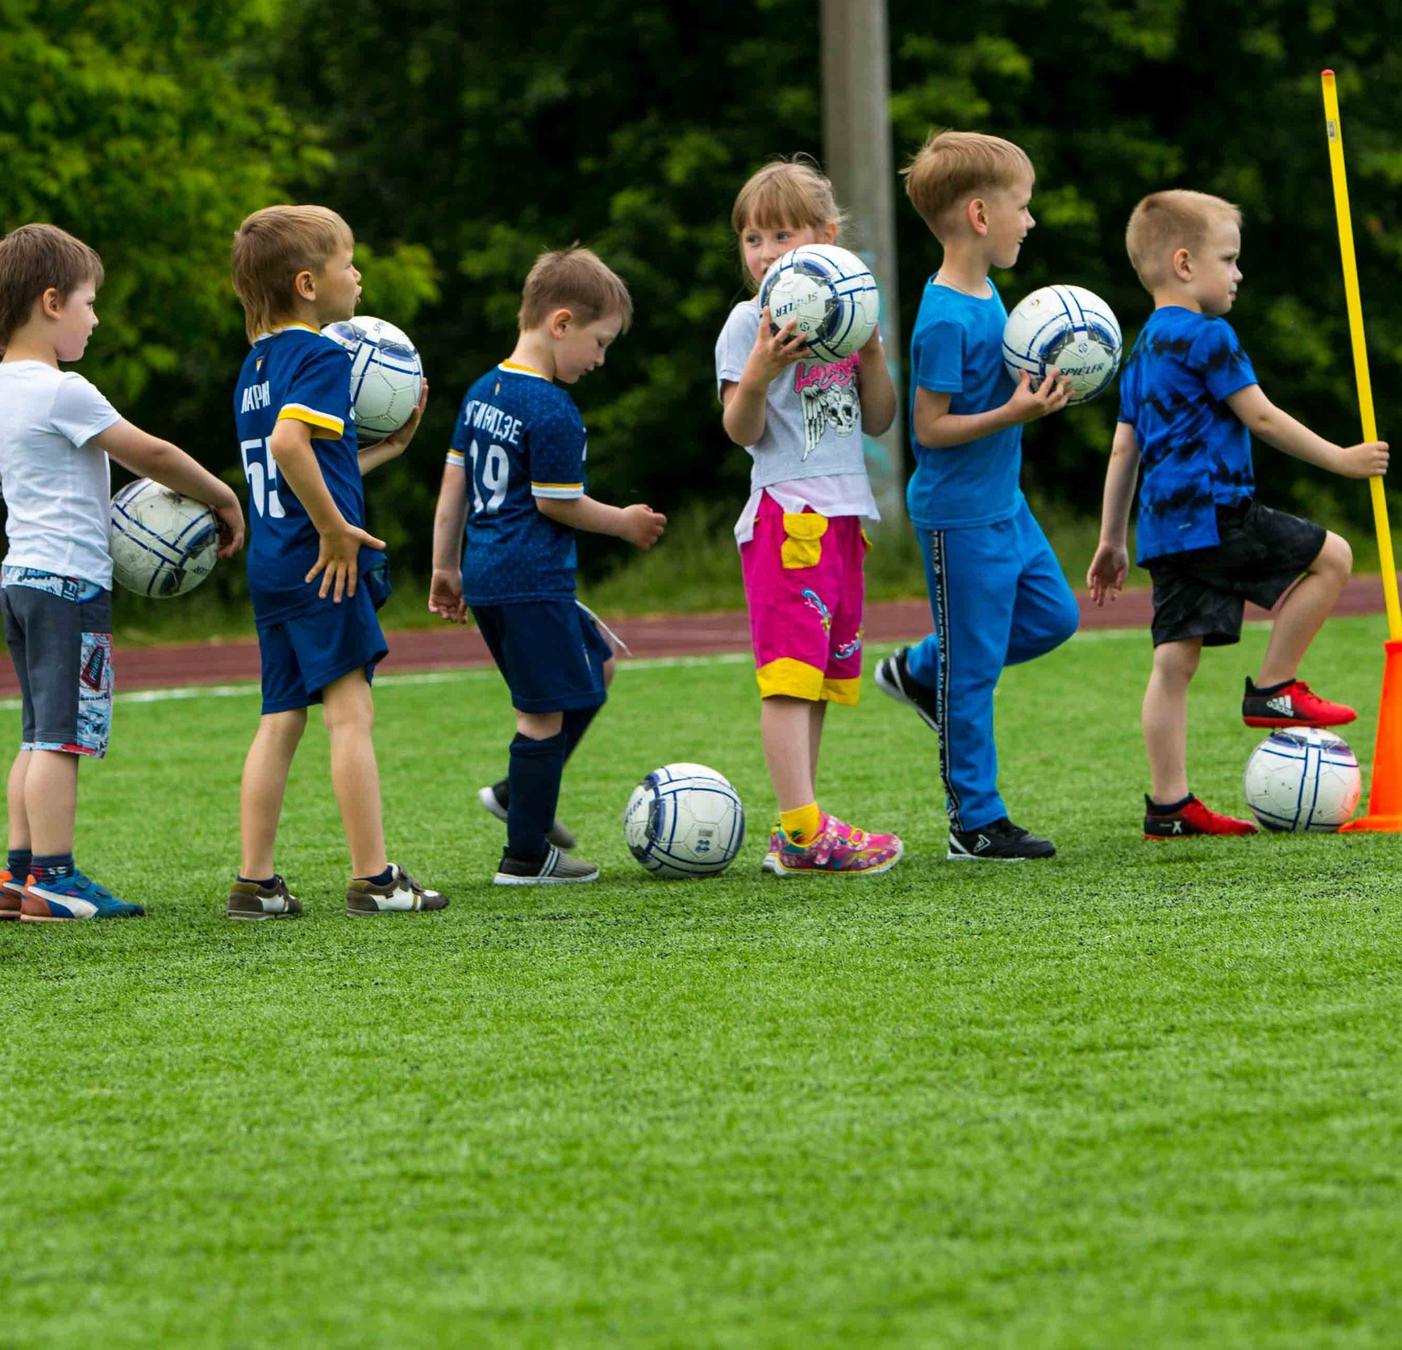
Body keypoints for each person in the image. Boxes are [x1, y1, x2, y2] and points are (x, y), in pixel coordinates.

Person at [1086, 190, 1387, 837]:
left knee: (1173, 664)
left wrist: (1112, 539)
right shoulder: (1209, 336)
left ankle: (1169, 808)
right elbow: (1262, 416)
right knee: (1334, 557)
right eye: (1228, 259)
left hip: (1163, 531)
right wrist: (1341, 459)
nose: (1238, 273)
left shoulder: (1141, 351)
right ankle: (1275, 687)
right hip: (1217, 514)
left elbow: (1123, 450)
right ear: (1185, 263)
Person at [0, 223, 247, 920]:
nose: (95, 319)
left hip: (20, 579)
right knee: (63, 737)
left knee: (37, 733)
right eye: (89, 303)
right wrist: (222, 496)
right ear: (51, 303)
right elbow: (150, 454)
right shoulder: (62, 390)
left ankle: (17, 873)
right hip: (68, 584)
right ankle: (54, 878)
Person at [226, 205, 443, 919]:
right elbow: (290, 447)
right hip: (321, 565)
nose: (358, 275)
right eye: (348, 262)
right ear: (308, 284)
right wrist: (336, 531)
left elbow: (305, 464)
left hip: (273, 564)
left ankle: (255, 882)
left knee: (279, 718)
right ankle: (374, 878)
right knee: (351, 714)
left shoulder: (255, 367)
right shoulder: (322, 356)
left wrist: (386, 451)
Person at [869, 130, 1080, 860]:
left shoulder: (990, 292)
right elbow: (928, 430)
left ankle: (921, 668)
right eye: (1023, 205)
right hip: (958, 519)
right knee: (975, 675)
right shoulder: (943, 317)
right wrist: (1013, 413)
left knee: (1055, 617)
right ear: (981, 216)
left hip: (1005, 507)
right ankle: (976, 823)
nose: (1031, 219)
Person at [430, 246, 664, 886]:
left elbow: (453, 485)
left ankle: (519, 793)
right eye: (600, 342)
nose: (600, 359)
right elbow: (555, 502)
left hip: (490, 574)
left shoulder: (483, 390)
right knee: (540, 716)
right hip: (529, 579)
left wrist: (445, 567)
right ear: (561, 323)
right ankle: (526, 856)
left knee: (597, 664)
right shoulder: (552, 407)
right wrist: (625, 521)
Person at [714, 160, 903, 876]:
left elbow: (879, 420)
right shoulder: (747, 323)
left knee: (819, 679)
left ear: (825, 238)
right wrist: (760, 370)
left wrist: (872, 349)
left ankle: (801, 826)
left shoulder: (847, 316)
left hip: (844, 517)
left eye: (782, 236)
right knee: (789, 677)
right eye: (752, 238)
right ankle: (803, 829)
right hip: (788, 519)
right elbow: (741, 430)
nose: (764, 253)